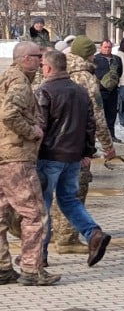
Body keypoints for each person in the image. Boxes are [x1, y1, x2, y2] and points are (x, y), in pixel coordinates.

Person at [35, 50, 112, 269]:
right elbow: (91, 125)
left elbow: (40, 127)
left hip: (49, 156)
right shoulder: (81, 91)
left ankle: (39, 254)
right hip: (74, 157)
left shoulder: (44, 91)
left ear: (48, 68)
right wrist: (87, 152)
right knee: (69, 199)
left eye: (43, 66)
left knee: (43, 205)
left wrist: (32, 154)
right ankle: (93, 233)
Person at [50, 37, 116, 254]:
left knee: (53, 191)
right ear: (88, 55)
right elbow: (96, 116)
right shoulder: (86, 78)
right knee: (74, 190)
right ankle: (67, 240)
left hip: (52, 144)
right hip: (76, 143)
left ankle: (54, 234)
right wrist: (107, 145)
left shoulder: (55, 71)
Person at [0, 43, 55, 285]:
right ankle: (32, 269)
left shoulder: (7, 78)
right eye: (37, 57)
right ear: (24, 59)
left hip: (4, 155)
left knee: (1, 213)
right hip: (17, 157)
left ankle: (3, 267)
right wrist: (32, 131)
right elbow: (9, 114)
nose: (41, 61)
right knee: (34, 214)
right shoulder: (21, 83)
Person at [93, 40, 121, 142]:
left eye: (109, 47)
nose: (107, 49)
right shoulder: (95, 59)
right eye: (105, 47)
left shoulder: (117, 59)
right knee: (100, 114)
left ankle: (111, 135)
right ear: (101, 47)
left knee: (112, 113)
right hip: (100, 90)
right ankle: (99, 135)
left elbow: (120, 72)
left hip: (113, 90)